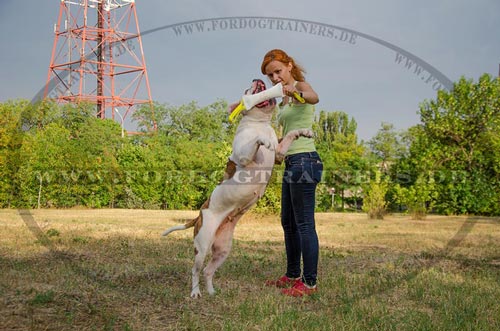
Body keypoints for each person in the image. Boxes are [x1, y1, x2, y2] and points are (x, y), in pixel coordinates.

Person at [261, 49, 323, 297]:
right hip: (291, 162)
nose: (275, 77)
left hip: (306, 161)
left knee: (305, 224)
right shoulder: (282, 98)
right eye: (270, 75)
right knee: (288, 222)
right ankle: (292, 274)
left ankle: (309, 283)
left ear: (288, 65)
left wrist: (294, 91)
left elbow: (314, 97)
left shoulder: (299, 86)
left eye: (278, 71)